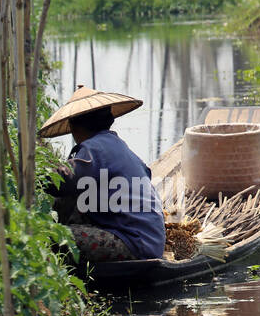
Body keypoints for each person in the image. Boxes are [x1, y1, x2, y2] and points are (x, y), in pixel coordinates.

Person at [39, 85, 165, 263]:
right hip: (149, 240)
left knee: (52, 234)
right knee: (74, 198)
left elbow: (63, 181)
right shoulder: (117, 146)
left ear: (75, 127)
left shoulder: (95, 149)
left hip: (135, 244)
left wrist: (37, 173)